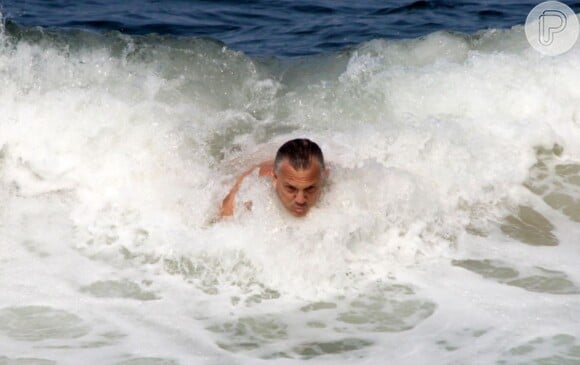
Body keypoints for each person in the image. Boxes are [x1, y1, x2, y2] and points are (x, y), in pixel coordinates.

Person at [219, 138, 327, 218]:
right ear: (275, 178)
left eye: (309, 189)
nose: (300, 200)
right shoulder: (249, 188)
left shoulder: (333, 181)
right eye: (291, 188)